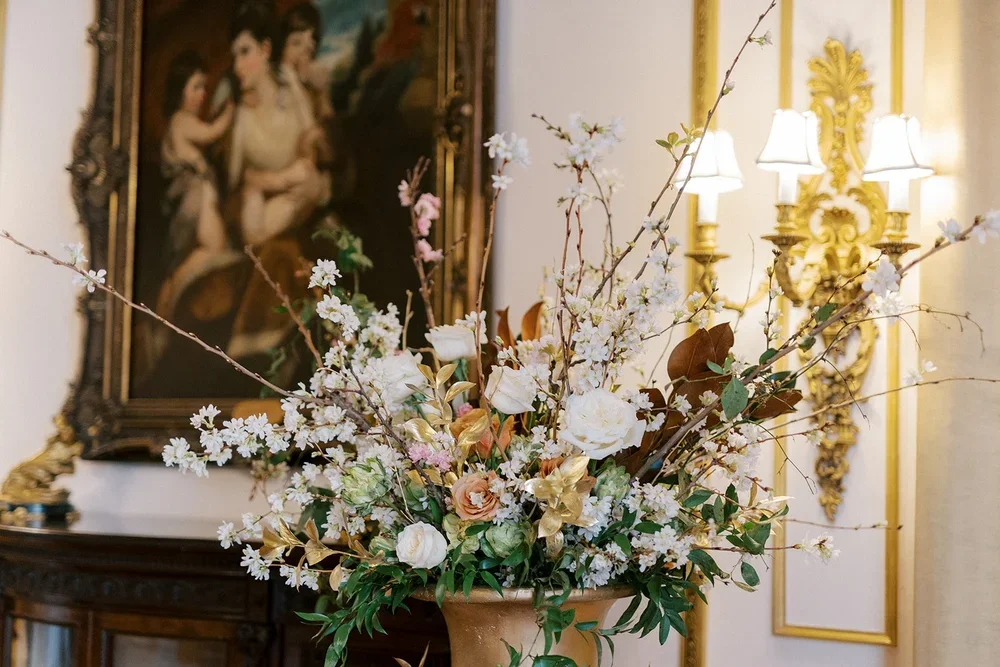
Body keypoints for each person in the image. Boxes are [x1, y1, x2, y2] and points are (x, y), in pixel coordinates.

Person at [156, 50, 237, 320]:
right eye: (197, 87)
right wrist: (231, 109)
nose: (202, 94)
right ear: (181, 90)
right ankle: (171, 297)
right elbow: (212, 132)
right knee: (214, 250)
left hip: (201, 199)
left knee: (217, 251)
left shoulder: (180, 122)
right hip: (194, 202)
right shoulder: (181, 121)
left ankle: (175, 302)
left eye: (204, 87)